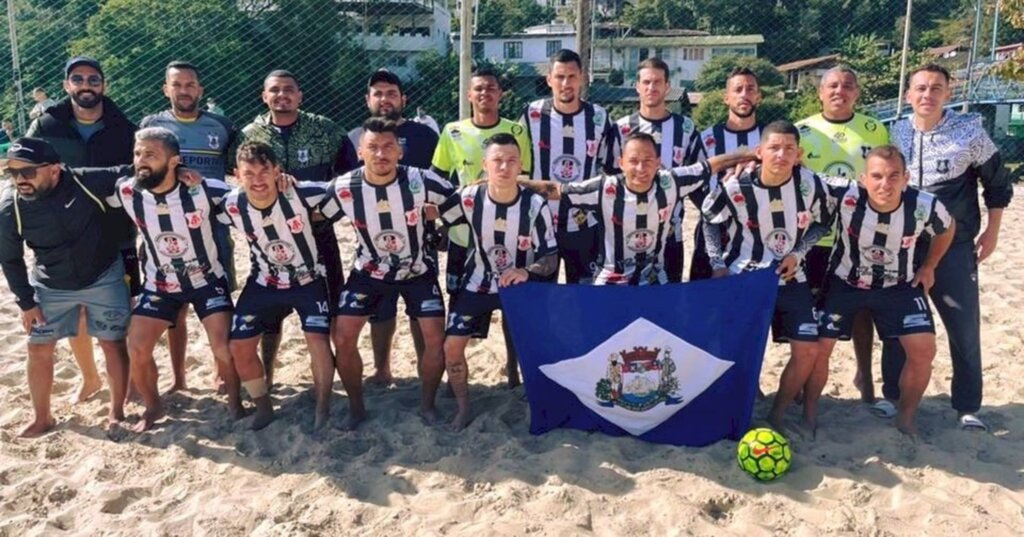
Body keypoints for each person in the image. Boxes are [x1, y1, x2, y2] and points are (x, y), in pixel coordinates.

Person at [884, 64, 1013, 432]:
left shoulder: (969, 133)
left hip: (955, 247)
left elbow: (998, 183)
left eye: (936, 88)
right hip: (904, 247)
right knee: (897, 326)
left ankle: (967, 405)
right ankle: (892, 396)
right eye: (920, 88)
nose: (927, 95)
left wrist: (992, 231)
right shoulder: (894, 132)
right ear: (908, 94)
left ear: (948, 93)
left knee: (963, 327)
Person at [810, 146, 955, 436]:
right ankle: (810, 414)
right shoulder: (845, 194)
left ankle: (906, 418)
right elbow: (801, 172)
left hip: (899, 286)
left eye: (893, 176)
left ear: (906, 178)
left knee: (924, 349)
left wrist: (930, 266)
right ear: (863, 179)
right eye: (876, 176)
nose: (884, 184)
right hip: (845, 283)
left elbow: (947, 228)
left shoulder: (926, 204)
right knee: (818, 349)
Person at [319, 117, 453, 431]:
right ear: (361, 152)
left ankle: (428, 405)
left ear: (400, 152)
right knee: (343, 337)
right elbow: (314, 213)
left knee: (436, 338)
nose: (381, 154)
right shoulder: (344, 187)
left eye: (388, 147)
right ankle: (356, 408)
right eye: (373, 148)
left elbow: (461, 202)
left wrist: (443, 228)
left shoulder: (422, 181)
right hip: (368, 271)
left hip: (417, 270)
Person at [701, 120, 832, 435]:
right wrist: (717, 262)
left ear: (799, 154)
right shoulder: (736, 185)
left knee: (808, 350)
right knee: (737, 346)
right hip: (743, 278)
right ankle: (732, 409)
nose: (781, 154)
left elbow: (823, 223)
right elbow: (708, 220)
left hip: (791, 278)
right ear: (760, 151)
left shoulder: (810, 184)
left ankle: (777, 414)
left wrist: (797, 253)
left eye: (789, 148)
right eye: (774, 147)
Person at [105, 127, 240, 432]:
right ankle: (153, 408)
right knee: (137, 347)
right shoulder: (128, 190)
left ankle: (235, 403)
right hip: (160, 285)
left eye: (150, 154)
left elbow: (252, 192)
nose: (141, 160)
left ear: (175, 160)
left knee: (222, 347)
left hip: (206, 281)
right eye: (138, 153)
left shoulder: (203, 188)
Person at [26, 56, 139, 406]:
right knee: (78, 312)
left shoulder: (124, 126)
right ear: (66, 85)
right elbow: (27, 169)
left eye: (93, 79)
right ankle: (89, 378)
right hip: (65, 231)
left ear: (103, 85)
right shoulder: (47, 125)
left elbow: (138, 170)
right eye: (78, 79)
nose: (86, 85)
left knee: (121, 308)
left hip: (115, 228)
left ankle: (128, 379)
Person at [0, 138, 131, 437]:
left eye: (28, 172)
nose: (20, 179)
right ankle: (42, 417)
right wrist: (26, 303)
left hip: (103, 275)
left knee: (112, 343)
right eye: (12, 172)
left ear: (55, 169)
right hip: (51, 285)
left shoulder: (84, 182)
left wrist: (183, 167)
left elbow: (133, 169)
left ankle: (116, 411)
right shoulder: (11, 207)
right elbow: (9, 258)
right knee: (38, 347)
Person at [239, 69, 358, 388]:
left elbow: (350, 180)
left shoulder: (326, 130)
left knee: (331, 304)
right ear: (264, 96)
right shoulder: (249, 134)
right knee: (269, 314)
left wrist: (328, 214)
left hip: (319, 233)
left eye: (289, 89)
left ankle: (334, 375)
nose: (282, 95)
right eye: (274, 90)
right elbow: (238, 180)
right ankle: (268, 372)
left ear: (300, 95)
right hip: (270, 239)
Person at [437, 133, 559, 430]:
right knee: (452, 346)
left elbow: (551, 256)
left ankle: (533, 396)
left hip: (519, 285)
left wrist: (527, 271)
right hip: (477, 282)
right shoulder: (468, 198)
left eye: (511, 161)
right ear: (485, 165)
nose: (504, 167)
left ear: (520, 167)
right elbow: (439, 219)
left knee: (534, 343)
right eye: (497, 161)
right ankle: (464, 407)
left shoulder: (535, 205)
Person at [522, 132, 755, 285]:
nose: (640, 168)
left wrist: (753, 154)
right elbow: (555, 189)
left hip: (655, 278)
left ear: (658, 163)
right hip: (612, 278)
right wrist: (515, 182)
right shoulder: (604, 187)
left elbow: (712, 165)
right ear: (621, 163)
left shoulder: (671, 182)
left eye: (647, 160)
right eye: (633, 161)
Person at [218, 141, 335, 431]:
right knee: (238, 346)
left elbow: (345, 191)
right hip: (263, 283)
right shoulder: (231, 204)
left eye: (264, 171)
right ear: (237, 175)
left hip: (308, 280)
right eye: (249, 173)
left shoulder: (301, 192)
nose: (257, 180)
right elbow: (196, 193)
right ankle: (264, 407)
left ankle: (322, 409)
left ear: (277, 171)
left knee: (318, 341)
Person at [140, 61, 238, 392]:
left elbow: (238, 171)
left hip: (212, 230)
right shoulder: (152, 126)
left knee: (219, 304)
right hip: (164, 231)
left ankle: (221, 372)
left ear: (200, 90)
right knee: (175, 310)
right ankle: (179, 377)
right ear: (166, 89)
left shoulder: (222, 127)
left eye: (190, 84)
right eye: (177, 84)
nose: (184, 90)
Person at [431, 65, 532, 386]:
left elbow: (525, 178)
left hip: (507, 236)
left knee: (513, 307)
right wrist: (444, 226)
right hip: (465, 238)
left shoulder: (515, 132)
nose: (485, 93)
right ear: (469, 94)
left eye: (491, 88)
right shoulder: (452, 131)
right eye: (479, 88)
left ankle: (513, 369)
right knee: (460, 301)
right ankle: (454, 375)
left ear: (501, 94)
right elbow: (439, 179)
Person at [795, 66, 889, 405]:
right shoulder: (802, 130)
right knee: (811, 313)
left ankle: (864, 376)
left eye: (847, 85)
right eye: (832, 85)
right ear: (820, 92)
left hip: (858, 236)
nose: (840, 91)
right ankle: (803, 379)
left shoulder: (874, 130)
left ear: (857, 93)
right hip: (814, 238)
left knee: (862, 309)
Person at [348, 69, 440, 387]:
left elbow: (440, 183)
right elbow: (345, 187)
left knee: (420, 311)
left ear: (403, 99)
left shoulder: (425, 136)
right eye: (378, 93)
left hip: (418, 241)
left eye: (391, 93)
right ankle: (382, 368)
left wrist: (434, 215)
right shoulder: (355, 138)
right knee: (381, 310)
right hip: (374, 242)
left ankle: (422, 368)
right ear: (368, 99)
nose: (384, 99)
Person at [520, 49, 616, 284]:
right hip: (539, 221)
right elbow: (519, 164)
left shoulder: (599, 117)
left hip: (584, 222)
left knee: (585, 294)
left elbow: (612, 170)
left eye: (572, 76)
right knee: (540, 295)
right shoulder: (532, 114)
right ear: (549, 80)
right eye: (560, 77)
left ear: (583, 77)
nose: (566, 83)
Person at [613, 58, 704, 283]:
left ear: (667, 86)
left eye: (657, 82)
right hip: (627, 233)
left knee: (668, 305)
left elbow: (698, 177)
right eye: (646, 82)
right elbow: (610, 179)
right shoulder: (621, 128)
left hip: (672, 233)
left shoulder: (686, 128)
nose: (651, 88)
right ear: (637, 86)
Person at [692, 67, 765, 281]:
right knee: (705, 297)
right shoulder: (707, 138)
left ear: (758, 97)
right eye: (738, 89)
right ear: (726, 98)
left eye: (750, 89)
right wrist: (714, 212)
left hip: (759, 229)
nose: (744, 94)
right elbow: (694, 185)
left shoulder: (770, 138)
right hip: (715, 227)